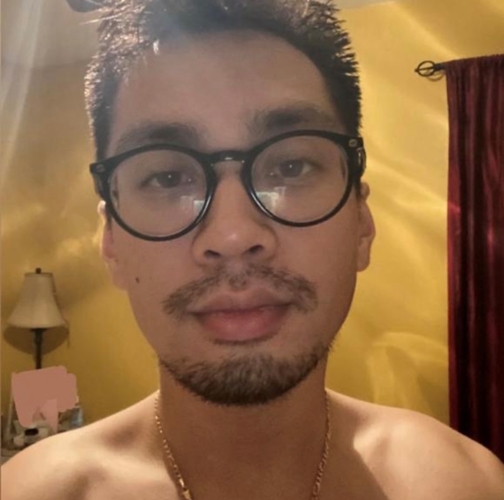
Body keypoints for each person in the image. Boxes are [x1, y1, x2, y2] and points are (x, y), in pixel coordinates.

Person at [2, 1, 504, 499]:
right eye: (168, 177)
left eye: (290, 168)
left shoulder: (466, 484)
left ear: (362, 224)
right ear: (111, 242)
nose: (233, 235)